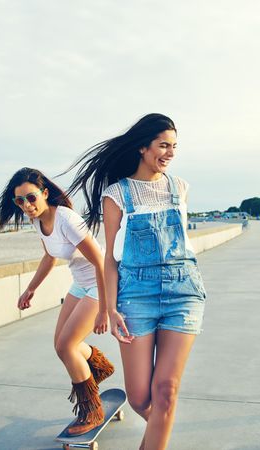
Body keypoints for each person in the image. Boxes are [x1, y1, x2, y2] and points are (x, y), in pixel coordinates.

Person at [67, 113, 206, 450]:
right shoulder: (117, 195)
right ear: (143, 147)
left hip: (183, 292)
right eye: (163, 145)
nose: (170, 153)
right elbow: (111, 260)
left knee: (166, 393)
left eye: (174, 147)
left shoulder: (180, 188)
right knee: (141, 398)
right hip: (136, 298)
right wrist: (111, 310)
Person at [0, 167, 114, 435]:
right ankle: (98, 367)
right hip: (81, 283)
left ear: (45, 193)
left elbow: (100, 262)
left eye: (31, 197)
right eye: (20, 201)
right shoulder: (37, 221)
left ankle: (92, 410)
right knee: (60, 344)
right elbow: (50, 257)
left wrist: (105, 310)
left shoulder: (66, 220)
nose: (26, 205)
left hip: (99, 282)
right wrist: (30, 289)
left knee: (66, 345)